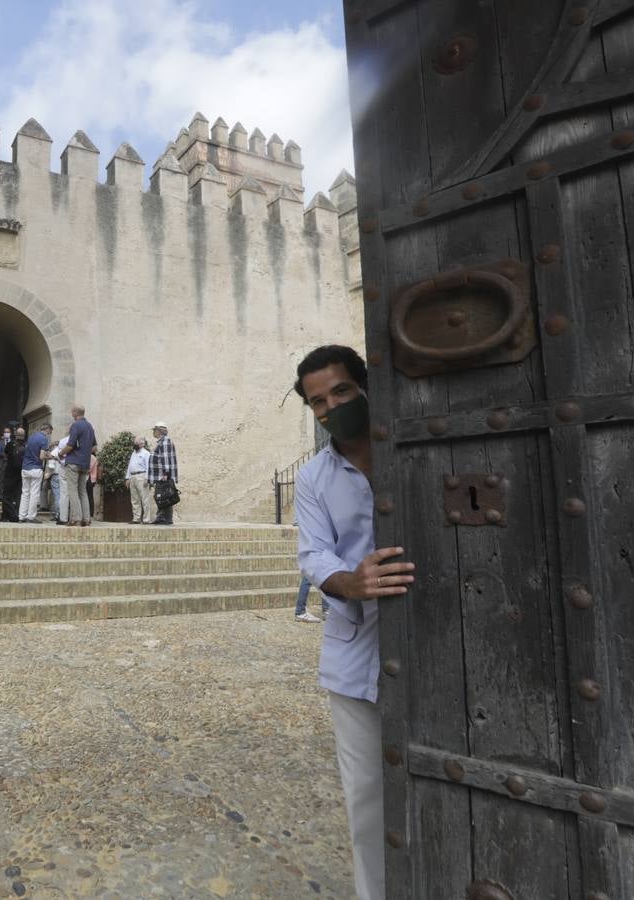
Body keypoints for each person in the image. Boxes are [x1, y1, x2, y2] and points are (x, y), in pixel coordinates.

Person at [293, 344, 416, 900]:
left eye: (341, 391)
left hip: (430, 642)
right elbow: (315, 555)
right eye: (318, 402)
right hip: (353, 653)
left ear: (365, 384)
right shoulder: (314, 478)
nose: (331, 407)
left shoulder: (414, 447)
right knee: (366, 797)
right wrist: (351, 582)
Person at [57, 405, 95, 527]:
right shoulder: (90, 426)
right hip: (85, 463)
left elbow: (70, 445)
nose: (71, 413)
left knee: (72, 490)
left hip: (73, 462)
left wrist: (60, 453)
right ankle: (86, 519)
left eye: (72, 411)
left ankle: (76, 519)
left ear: (75, 413)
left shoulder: (76, 425)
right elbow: (94, 447)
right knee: (82, 491)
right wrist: (85, 451)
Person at [20, 424, 51, 523]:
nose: (49, 435)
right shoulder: (43, 439)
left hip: (25, 468)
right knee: (34, 493)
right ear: (47, 430)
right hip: (36, 468)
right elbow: (42, 456)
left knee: (25, 493)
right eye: (49, 433)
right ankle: (31, 517)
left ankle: (21, 516)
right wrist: (49, 457)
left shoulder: (31, 437)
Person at [149, 421, 178, 525]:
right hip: (161, 475)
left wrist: (166, 473)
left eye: (155, 430)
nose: (153, 433)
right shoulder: (162, 441)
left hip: (163, 475)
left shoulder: (165, 441)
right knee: (164, 496)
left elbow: (165, 458)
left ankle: (165, 518)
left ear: (159, 431)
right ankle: (163, 517)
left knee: (164, 496)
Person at [0, 425, 25, 522]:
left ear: (15, 434)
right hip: (21, 473)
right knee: (18, 495)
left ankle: (11, 515)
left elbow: (6, 453)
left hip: (10, 473)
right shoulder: (26, 445)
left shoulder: (10, 444)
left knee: (6, 495)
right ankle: (8, 514)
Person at [125, 436, 153, 524]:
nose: (135, 445)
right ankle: (136, 518)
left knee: (145, 498)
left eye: (136, 443)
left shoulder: (146, 453)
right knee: (134, 499)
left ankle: (146, 519)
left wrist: (147, 478)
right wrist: (127, 478)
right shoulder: (134, 452)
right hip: (133, 477)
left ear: (142, 444)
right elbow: (130, 465)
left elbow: (149, 467)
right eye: (134, 443)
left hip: (142, 476)